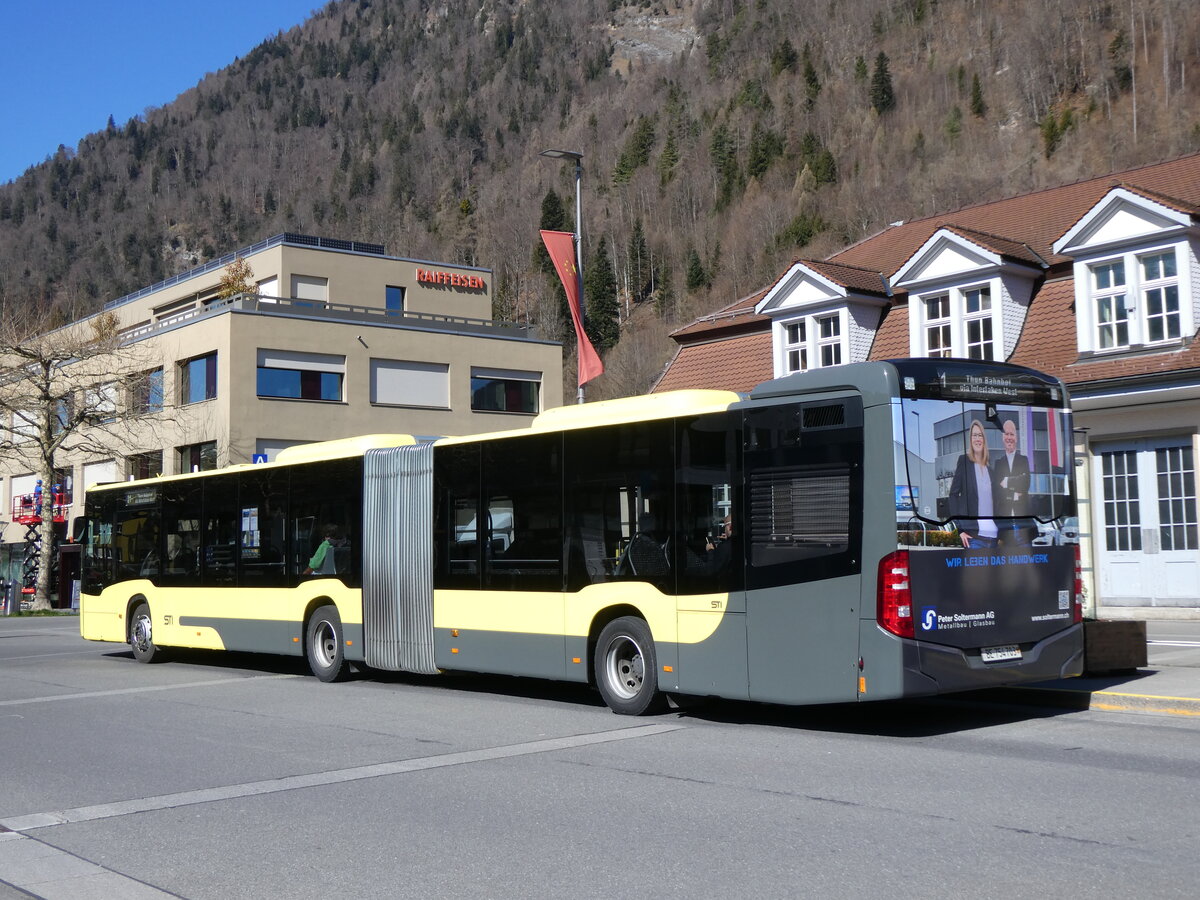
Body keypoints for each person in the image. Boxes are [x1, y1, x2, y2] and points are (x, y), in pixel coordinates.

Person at [947, 419, 999, 549]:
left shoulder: (990, 470)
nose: (977, 439)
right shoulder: (964, 462)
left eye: (980, 435)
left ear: (984, 440)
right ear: (970, 440)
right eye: (974, 435)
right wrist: (960, 529)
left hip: (993, 537)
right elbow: (953, 495)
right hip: (974, 538)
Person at [993, 417, 1033, 545]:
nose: (1009, 437)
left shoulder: (1023, 460)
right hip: (1005, 526)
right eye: (1006, 434)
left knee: (1026, 563)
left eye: (1011, 434)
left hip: (1022, 524)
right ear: (1002, 438)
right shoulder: (998, 463)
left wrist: (1007, 481)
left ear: (1016, 437)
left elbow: (1026, 482)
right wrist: (1014, 494)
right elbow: (997, 490)